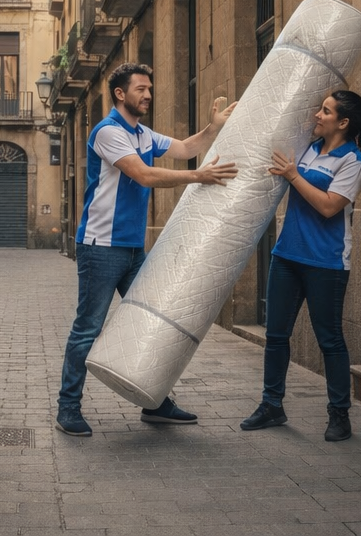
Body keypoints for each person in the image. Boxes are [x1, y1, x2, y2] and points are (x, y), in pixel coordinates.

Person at [56, 62, 239, 438]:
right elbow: (144, 174)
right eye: (141, 89)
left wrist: (214, 127)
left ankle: (156, 405)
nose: (149, 95)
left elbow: (187, 147)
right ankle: (68, 407)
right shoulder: (108, 132)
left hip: (132, 248)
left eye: (150, 89)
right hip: (101, 248)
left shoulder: (142, 133)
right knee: (88, 328)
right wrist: (198, 176)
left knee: (150, 321)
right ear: (121, 94)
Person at [240, 89, 361, 443]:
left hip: (326, 262)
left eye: (325, 111)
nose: (317, 115)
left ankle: (340, 414)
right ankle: (271, 404)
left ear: (343, 123)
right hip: (287, 255)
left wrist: (293, 176)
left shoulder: (354, 161)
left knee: (329, 339)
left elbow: (329, 206)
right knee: (276, 335)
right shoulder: (308, 147)